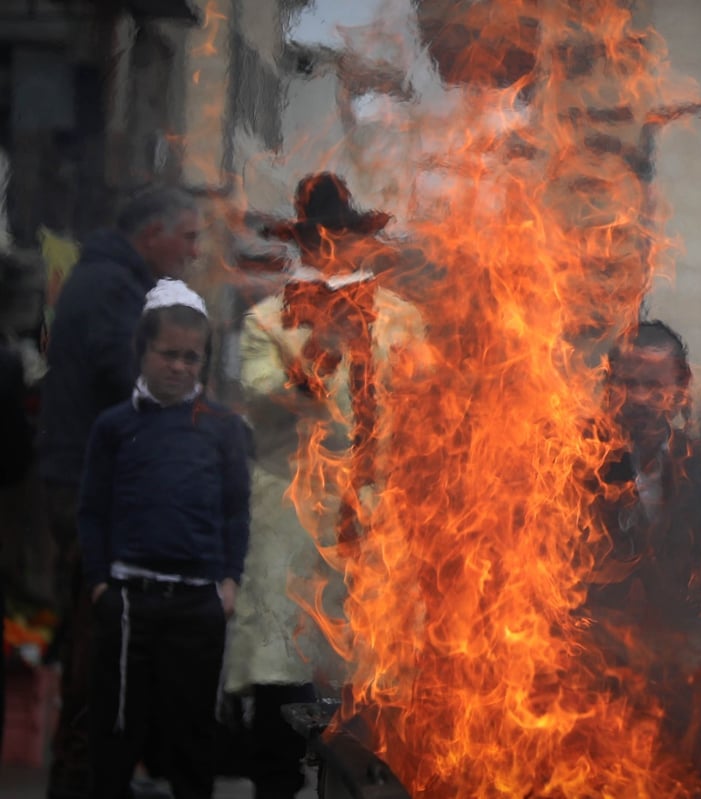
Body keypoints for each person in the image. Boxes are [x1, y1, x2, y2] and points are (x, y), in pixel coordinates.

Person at [224, 172, 427, 798]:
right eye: (320, 237)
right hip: (292, 515)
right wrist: (321, 354)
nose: (333, 248)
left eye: (344, 236)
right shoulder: (267, 321)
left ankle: (357, 787)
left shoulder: (402, 320)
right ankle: (275, 787)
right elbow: (261, 396)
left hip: (376, 515)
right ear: (305, 245)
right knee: (282, 668)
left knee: (372, 677)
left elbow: (426, 407)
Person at [39, 185, 200, 799]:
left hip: (91, 484)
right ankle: (83, 779)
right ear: (151, 234)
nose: (192, 250)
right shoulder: (111, 287)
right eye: (186, 236)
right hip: (89, 490)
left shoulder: (112, 280)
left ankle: (94, 773)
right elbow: (134, 373)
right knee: (98, 640)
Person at [79, 279, 249, 799]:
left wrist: (229, 581)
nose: (179, 367)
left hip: (199, 601)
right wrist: (100, 584)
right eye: (168, 354)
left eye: (191, 358)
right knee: (117, 726)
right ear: (143, 351)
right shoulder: (114, 427)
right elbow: (93, 510)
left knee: (193, 729)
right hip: (130, 600)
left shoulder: (221, 429)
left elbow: (234, 510)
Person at [588, 320, 701, 620]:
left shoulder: (699, 463)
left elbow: (696, 557)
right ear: (609, 385)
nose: (639, 398)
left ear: (680, 388)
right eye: (628, 383)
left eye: (654, 385)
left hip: (671, 634)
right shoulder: (581, 458)